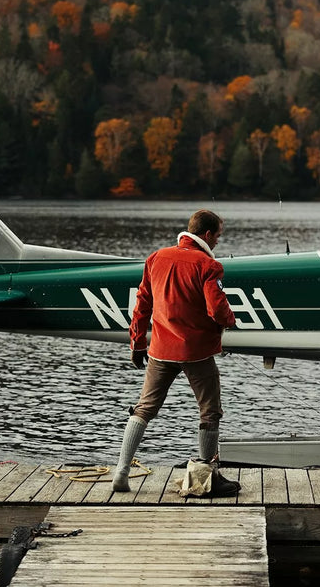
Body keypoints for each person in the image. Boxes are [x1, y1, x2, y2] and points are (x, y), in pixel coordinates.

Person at [112, 209, 240, 496]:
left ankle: (121, 470)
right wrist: (230, 321)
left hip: (159, 349)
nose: (218, 241)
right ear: (207, 235)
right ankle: (207, 476)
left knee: (145, 408)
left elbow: (143, 303)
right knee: (210, 412)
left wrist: (137, 343)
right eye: (218, 235)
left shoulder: (156, 257)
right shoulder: (209, 265)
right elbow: (216, 309)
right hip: (196, 352)